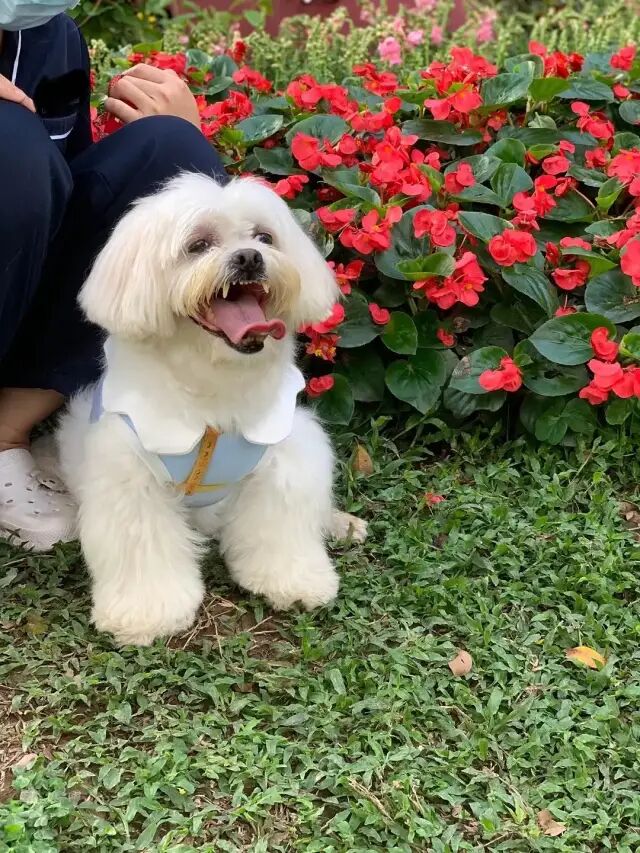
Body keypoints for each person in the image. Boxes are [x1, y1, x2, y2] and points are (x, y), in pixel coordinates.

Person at [0, 1, 228, 550]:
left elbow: (59, 210)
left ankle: (5, 435)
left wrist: (188, 148)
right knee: (12, 144)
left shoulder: (49, 36)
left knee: (171, 151)